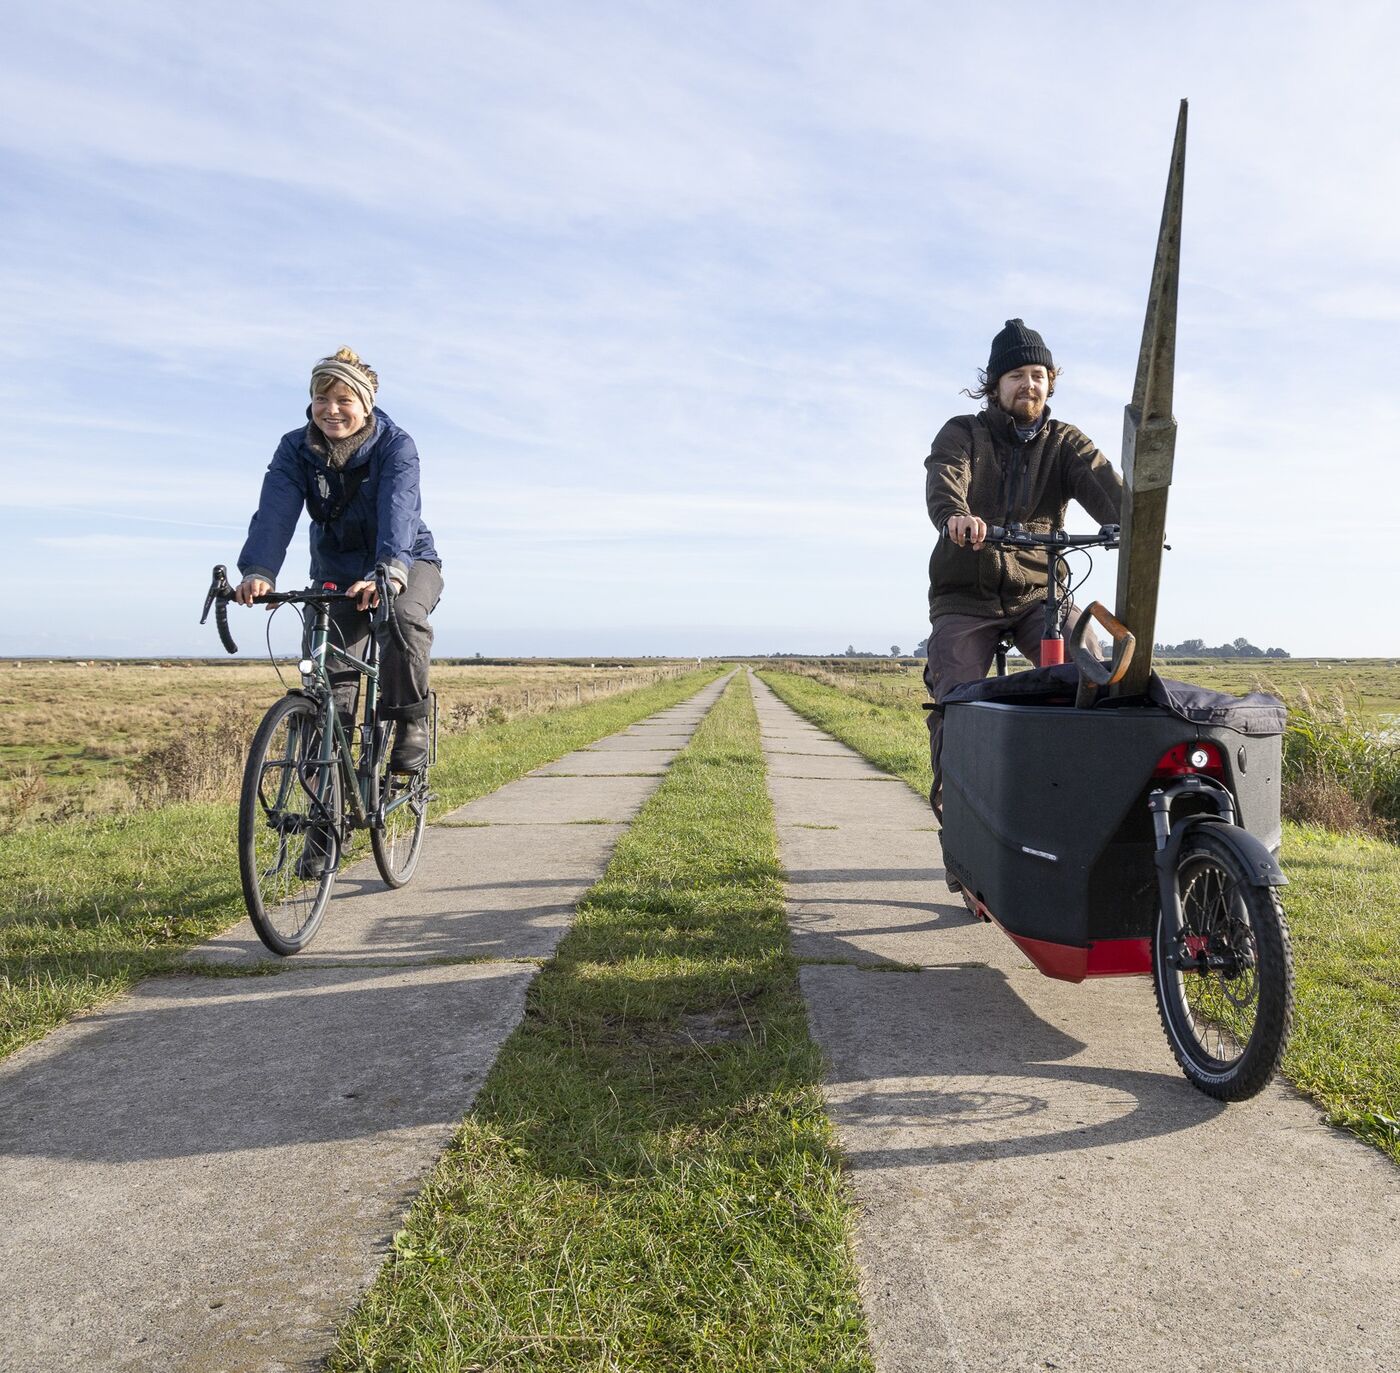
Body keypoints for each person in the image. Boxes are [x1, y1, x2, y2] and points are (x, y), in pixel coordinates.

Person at [923, 319, 1123, 819]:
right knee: (958, 698)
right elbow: (946, 474)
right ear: (994, 386)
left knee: (1091, 668)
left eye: (1037, 375)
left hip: (1040, 595)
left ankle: (1083, 793)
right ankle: (955, 806)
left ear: (1050, 382)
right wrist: (955, 516)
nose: (1028, 384)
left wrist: (1136, 523)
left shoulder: (1064, 442)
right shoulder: (964, 432)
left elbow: (1107, 489)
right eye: (1016, 376)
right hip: (966, 595)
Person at [236, 347, 443, 776]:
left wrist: (390, 572)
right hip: (337, 570)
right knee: (329, 678)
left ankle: (410, 721)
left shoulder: (395, 445)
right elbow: (275, 512)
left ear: (365, 405)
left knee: (402, 618)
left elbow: (399, 510)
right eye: (321, 399)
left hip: (407, 560)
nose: (331, 410)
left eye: (343, 400)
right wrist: (259, 571)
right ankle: (324, 793)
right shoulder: (295, 448)